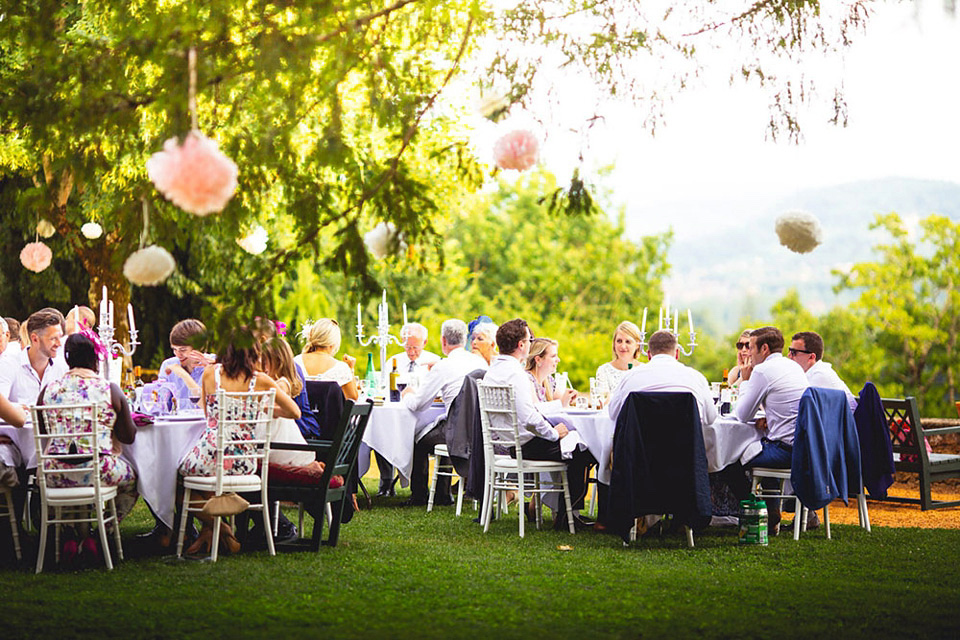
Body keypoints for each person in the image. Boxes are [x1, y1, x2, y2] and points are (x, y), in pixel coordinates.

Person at [178, 326, 301, 555]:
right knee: (199, 481)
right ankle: (220, 529)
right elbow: (295, 412)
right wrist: (264, 408)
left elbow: (207, 415)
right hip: (245, 462)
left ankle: (217, 526)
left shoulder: (210, 374)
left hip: (211, 455)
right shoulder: (261, 380)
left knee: (177, 481)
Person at [484, 318, 596, 529]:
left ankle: (564, 514)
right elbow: (528, 418)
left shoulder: (492, 372)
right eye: (529, 339)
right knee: (583, 450)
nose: (529, 343)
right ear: (521, 345)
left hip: (510, 445)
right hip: (527, 446)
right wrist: (553, 433)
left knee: (577, 446)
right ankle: (566, 518)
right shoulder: (517, 375)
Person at [36, 331, 139, 561]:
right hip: (98, 470)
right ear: (95, 358)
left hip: (55, 472)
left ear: (67, 358)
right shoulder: (109, 389)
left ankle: (70, 535)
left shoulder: (48, 390)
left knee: (60, 478)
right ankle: (98, 534)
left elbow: (43, 432)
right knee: (133, 480)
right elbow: (129, 436)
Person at [716, 326, 809, 535]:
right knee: (761, 446)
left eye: (751, 347)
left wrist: (747, 381)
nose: (748, 352)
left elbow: (742, 415)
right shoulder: (793, 367)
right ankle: (772, 510)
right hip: (804, 448)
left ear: (764, 348)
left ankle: (757, 512)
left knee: (728, 458)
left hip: (785, 451)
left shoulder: (762, 371)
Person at [400, 319, 488, 507]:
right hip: (481, 431)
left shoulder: (444, 365)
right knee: (446, 430)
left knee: (419, 439)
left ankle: (419, 495)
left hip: (457, 431)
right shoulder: (480, 363)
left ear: (443, 340)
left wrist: (407, 393)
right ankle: (442, 492)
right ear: (465, 340)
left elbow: (418, 404)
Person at [606, 329, 717, 428]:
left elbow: (613, 414)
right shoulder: (696, 378)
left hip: (640, 449)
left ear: (649, 355)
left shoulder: (629, 378)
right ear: (677, 353)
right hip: (684, 449)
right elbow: (710, 418)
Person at [261, 338, 321, 468]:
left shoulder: (281, 384)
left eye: (266, 362)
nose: (263, 366)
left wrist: (263, 408)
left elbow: (279, 409)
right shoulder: (280, 382)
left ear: (278, 362)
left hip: (280, 440)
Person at [0, 309, 68, 406]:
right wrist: (19, 409)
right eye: (53, 339)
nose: (59, 344)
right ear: (35, 339)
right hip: (19, 421)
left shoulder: (63, 367)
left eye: (60, 337)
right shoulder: (8, 364)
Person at [787, 331, 857, 412]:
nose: (789, 355)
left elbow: (796, 408)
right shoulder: (815, 372)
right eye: (789, 350)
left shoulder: (819, 375)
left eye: (793, 352)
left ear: (811, 357)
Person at [295, 319, 358, 400]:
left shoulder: (296, 362)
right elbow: (352, 399)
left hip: (300, 412)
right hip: (331, 413)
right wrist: (350, 369)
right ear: (333, 343)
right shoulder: (341, 368)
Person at [157, 319, 213, 408]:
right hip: (174, 421)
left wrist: (183, 375)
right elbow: (160, 404)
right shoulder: (168, 364)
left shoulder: (213, 364)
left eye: (183, 350)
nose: (178, 354)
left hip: (204, 421)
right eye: (174, 349)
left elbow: (207, 406)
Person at [525, 338, 576, 406]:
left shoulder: (548, 380)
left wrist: (569, 396)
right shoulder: (527, 380)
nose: (558, 360)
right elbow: (537, 410)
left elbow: (561, 399)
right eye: (553, 356)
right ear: (538, 360)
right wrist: (563, 402)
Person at [595, 321, 644, 392]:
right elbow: (603, 401)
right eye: (619, 341)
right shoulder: (604, 371)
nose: (623, 346)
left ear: (637, 345)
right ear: (614, 343)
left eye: (628, 342)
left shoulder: (644, 370)